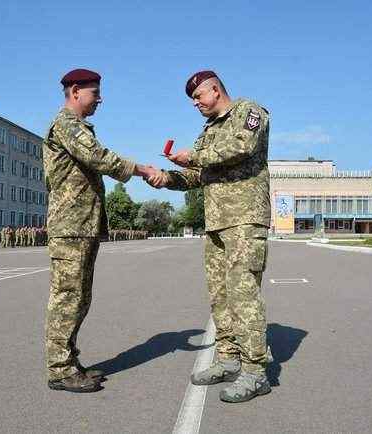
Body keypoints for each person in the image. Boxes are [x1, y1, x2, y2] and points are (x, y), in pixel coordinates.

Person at [148, 70, 271, 403]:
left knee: (244, 295)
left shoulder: (249, 112)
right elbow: (197, 175)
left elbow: (242, 147)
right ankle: (229, 359)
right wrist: (167, 178)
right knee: (221, 296)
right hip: (216, 223)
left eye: (198, 97)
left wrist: (195, 156)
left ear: (215, 90)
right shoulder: (208, 132)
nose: (195, 104)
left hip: (245, 219)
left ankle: (255, 371)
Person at [42, 68, 160, 393]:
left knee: (80, 297)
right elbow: (99, 158)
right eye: (95, 93)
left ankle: (69, 361)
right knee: (67, 297)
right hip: (71, 227)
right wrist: (142, 169)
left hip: (83, 226)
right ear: (75, 91)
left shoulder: (78, 127)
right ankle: (59, 368)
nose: (100, 99)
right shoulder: (66, 124)